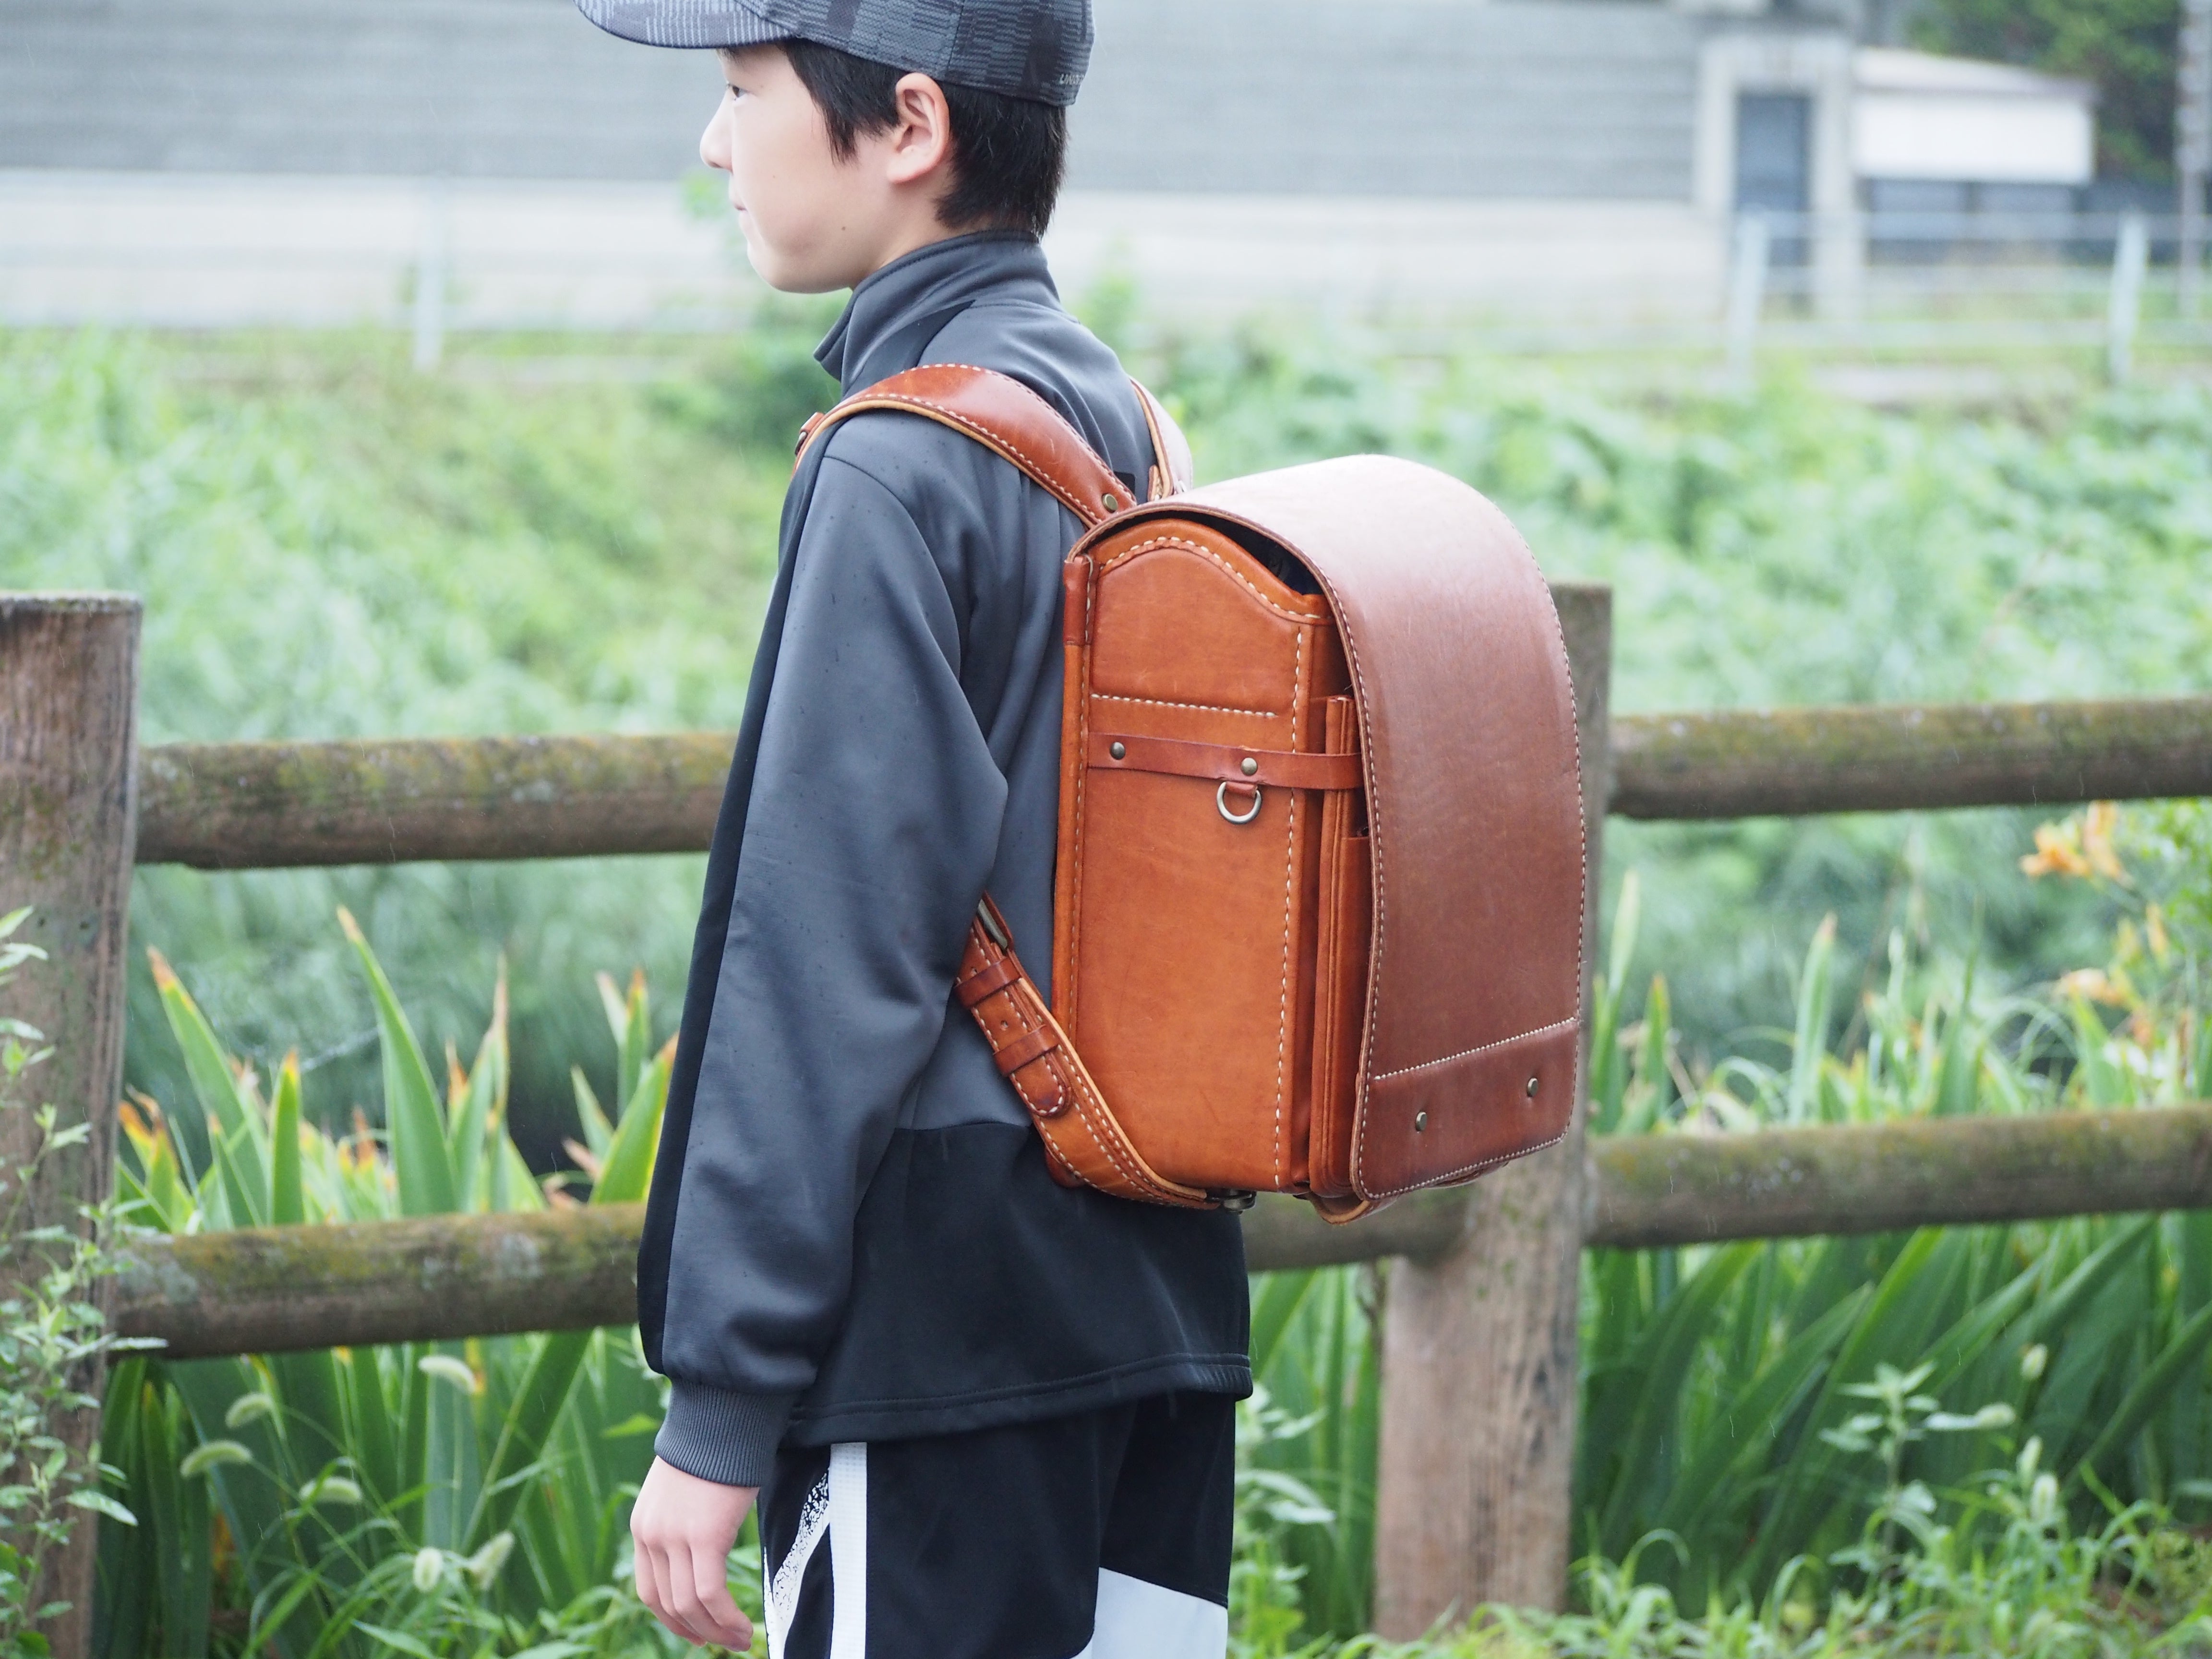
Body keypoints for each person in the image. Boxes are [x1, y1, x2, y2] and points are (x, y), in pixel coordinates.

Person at [570, 2, 1252, 1654]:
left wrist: (720, 1407)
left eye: (744, 90)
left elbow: (825, 955)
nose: (716, 144)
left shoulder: (896, 463)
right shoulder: (1126, 422)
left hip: (939, 1349)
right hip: (1153, 1292)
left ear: (914, 129)